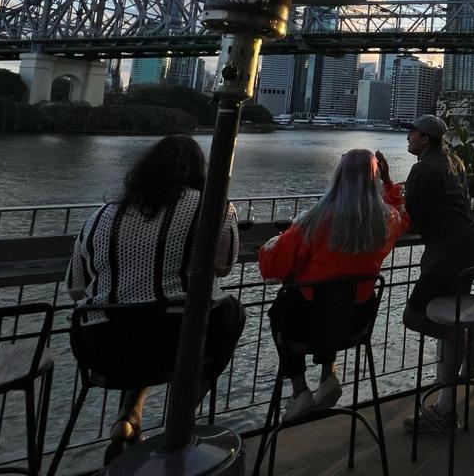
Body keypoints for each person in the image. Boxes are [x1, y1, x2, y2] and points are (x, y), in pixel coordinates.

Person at [66, 135, 245, 464]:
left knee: (140, 316)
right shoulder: (214, 206)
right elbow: (223, 265)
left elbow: (76, 288)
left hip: (104, 349)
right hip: (176, 344)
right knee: (229, 312)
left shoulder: (102, 216)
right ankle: (180, 416)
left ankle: (128, 417)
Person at [259, 149, 408, 421]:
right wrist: (388, 182)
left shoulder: (316, 219)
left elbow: (273, 266)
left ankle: (299, 390)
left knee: (287, 307)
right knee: (333, 297)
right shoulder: (386, 221)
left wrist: (271, 245)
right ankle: (329, 374)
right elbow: (402, 214)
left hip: (306, 324)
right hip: (355, 323)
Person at [400, 114, 474, 432]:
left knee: (412, 316)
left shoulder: (422, 168)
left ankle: (466, 337)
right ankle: (444, 411)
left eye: (412, 133)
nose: (409, 137)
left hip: (446, 255)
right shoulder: (456, 161)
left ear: (425, 139)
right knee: (452, 314)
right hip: (471, 246)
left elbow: (411, 215)